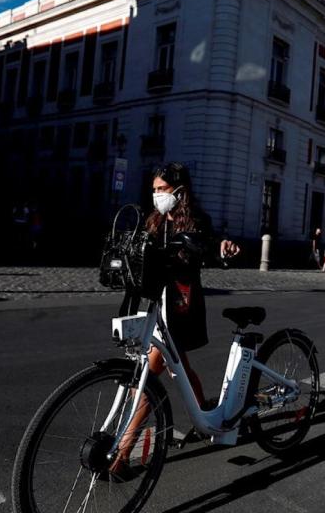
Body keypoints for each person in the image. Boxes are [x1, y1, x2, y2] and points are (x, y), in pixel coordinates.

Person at [111, 162, 239, 477]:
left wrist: (222, 248)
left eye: (162, 189)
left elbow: (210, 246)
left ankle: (121, 455)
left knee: (147, 377)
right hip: (156, 305)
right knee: (179, 366)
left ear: (179, 190)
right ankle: (207, 416)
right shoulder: (154, 221)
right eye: (154, 189)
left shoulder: (196, 221)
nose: (157, 195)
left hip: (181, 305)